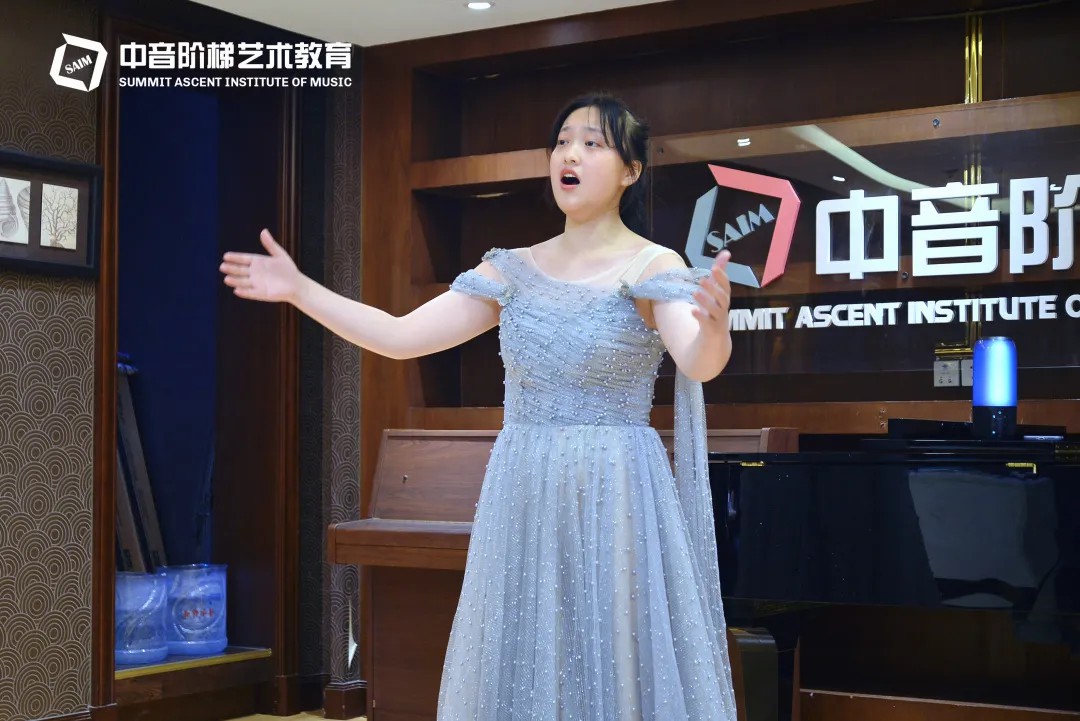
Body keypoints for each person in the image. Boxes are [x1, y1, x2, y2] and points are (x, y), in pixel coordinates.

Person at [220, 92, 738, 720]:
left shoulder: (653, 264)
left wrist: (714, 330)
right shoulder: (511, 270)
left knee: (616, 655)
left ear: (631, 170)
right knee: (525, 653)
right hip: (524, 485)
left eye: (592, 144)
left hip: (618, 487)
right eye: (562, 142)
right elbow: (399, 336)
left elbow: (697, 361)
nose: (570, 155)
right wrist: (301, 291)